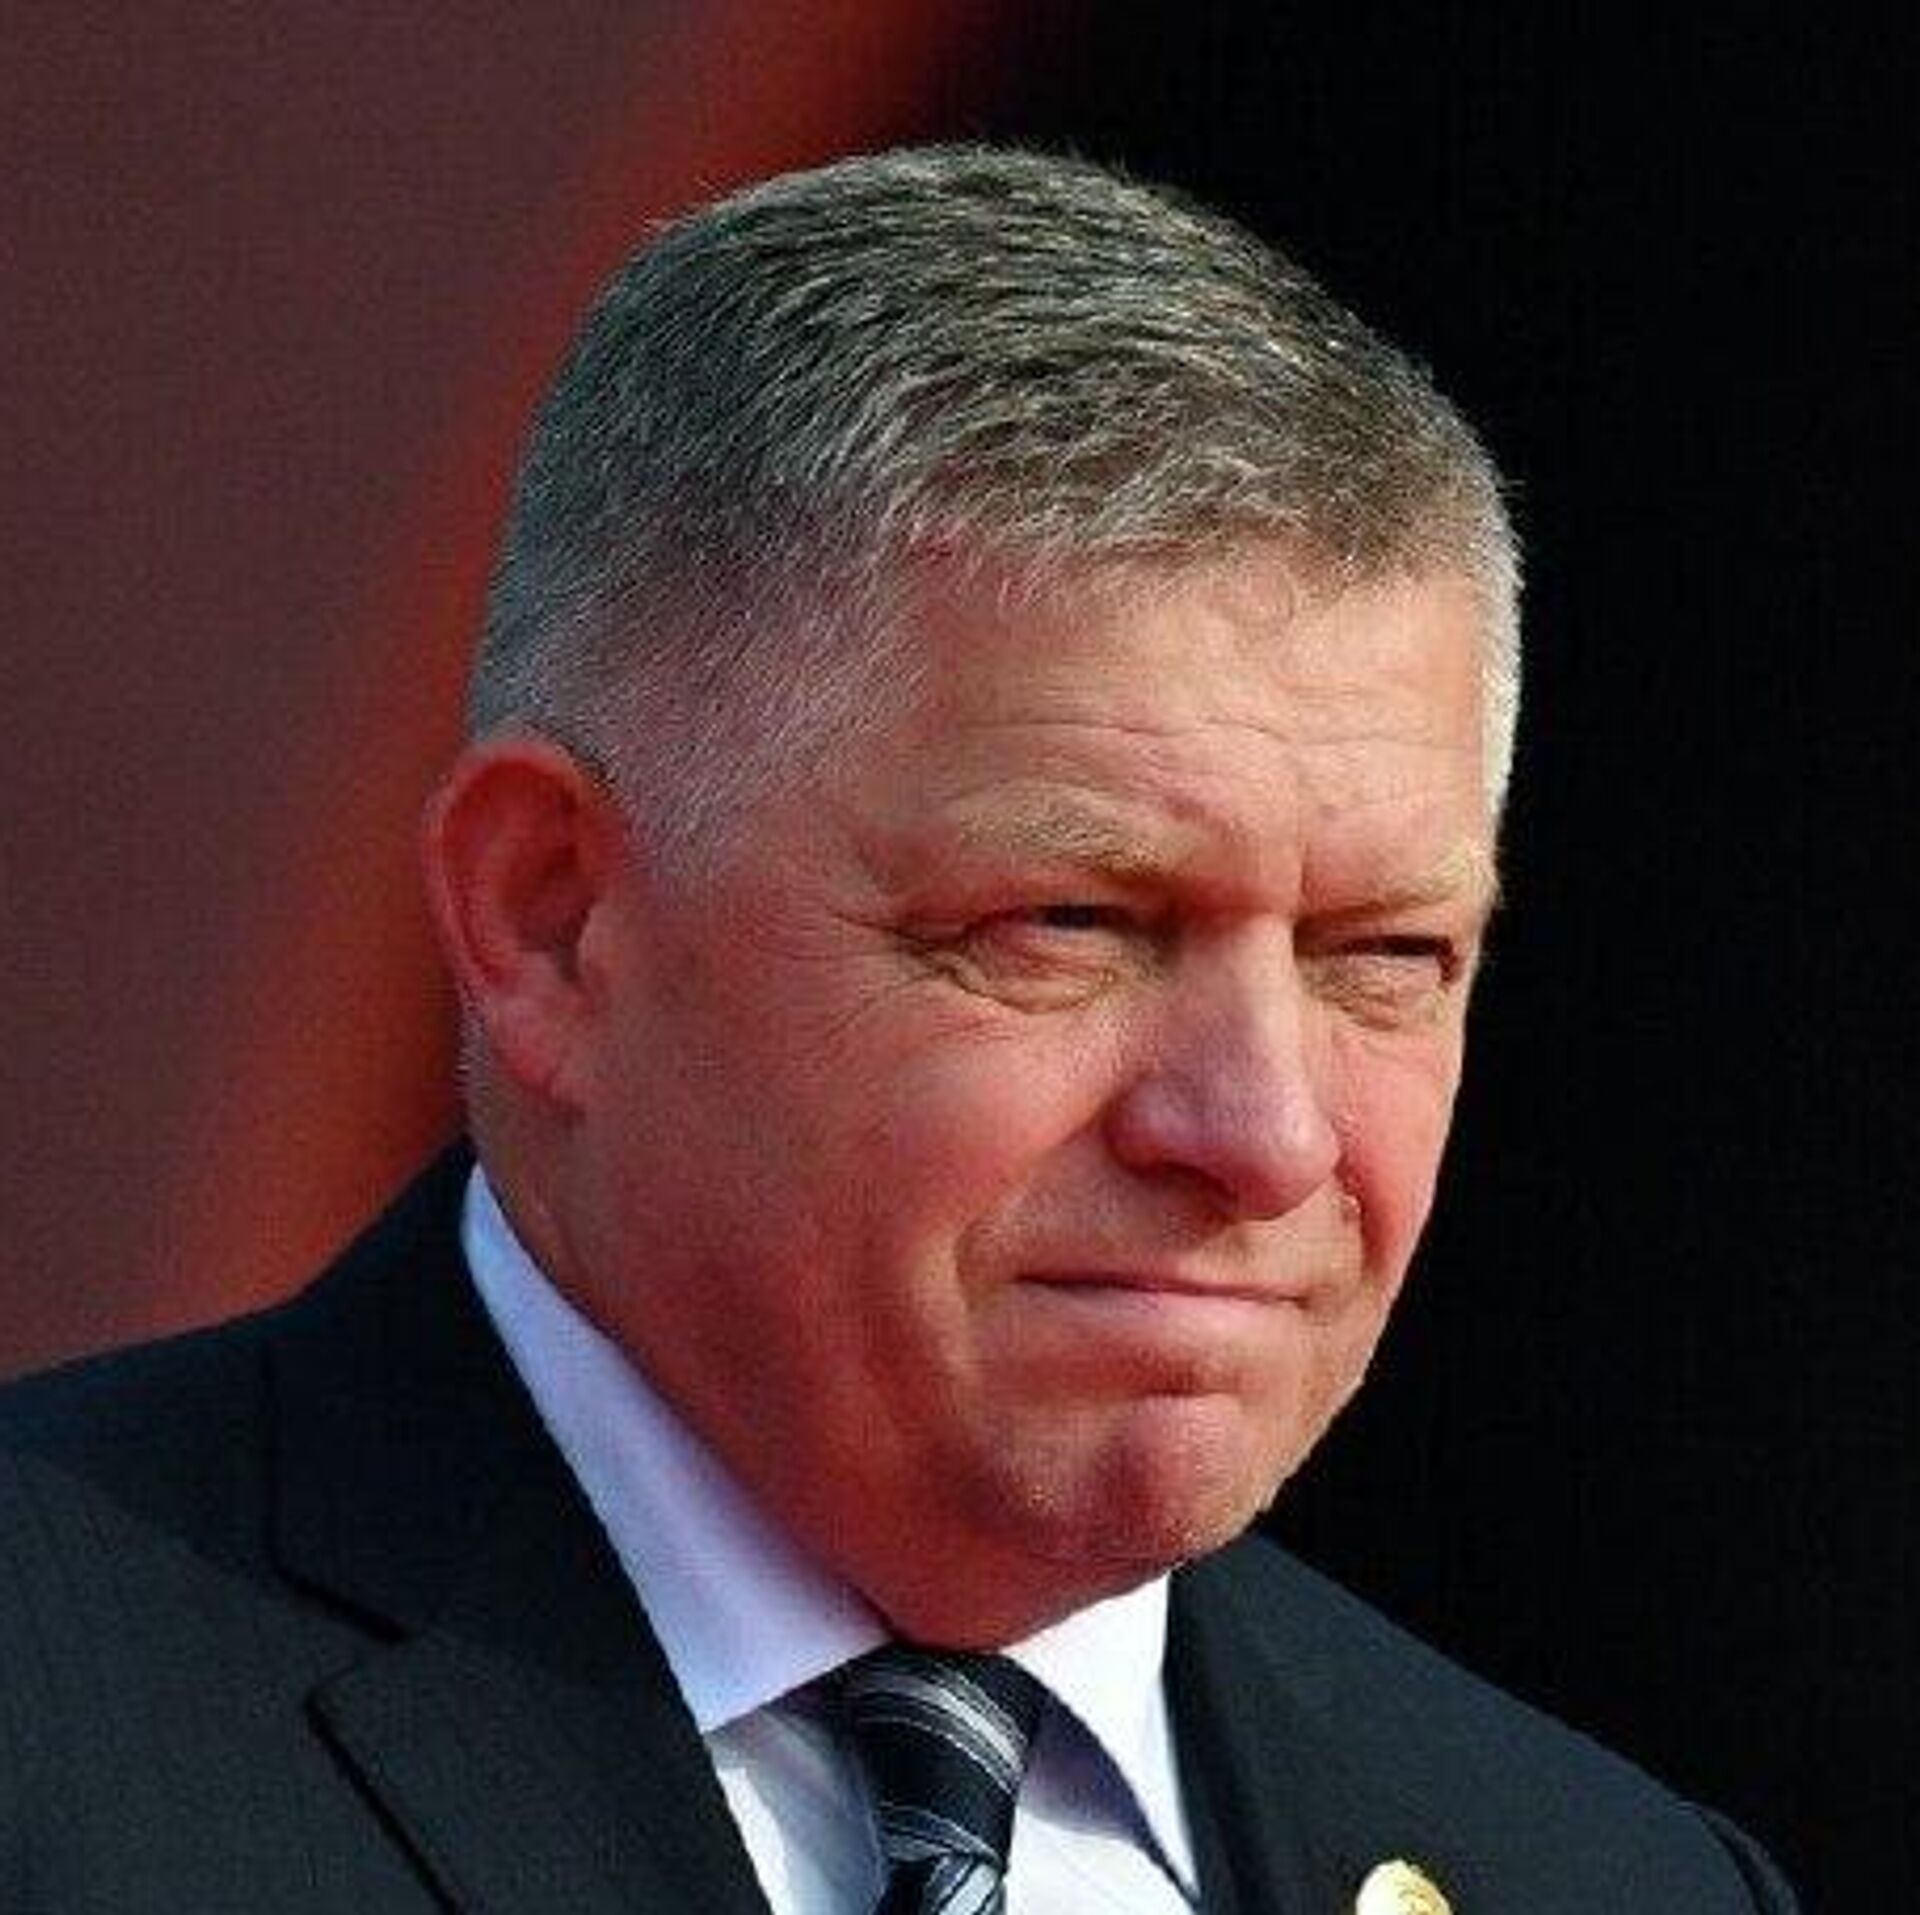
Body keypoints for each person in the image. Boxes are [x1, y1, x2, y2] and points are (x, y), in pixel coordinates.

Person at [0, 146, 1795, 1912]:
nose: (1264, 1136)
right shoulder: (55, 1721)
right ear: (553, 922)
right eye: (1068, 924)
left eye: (1384, 956)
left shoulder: (1618, 1877)